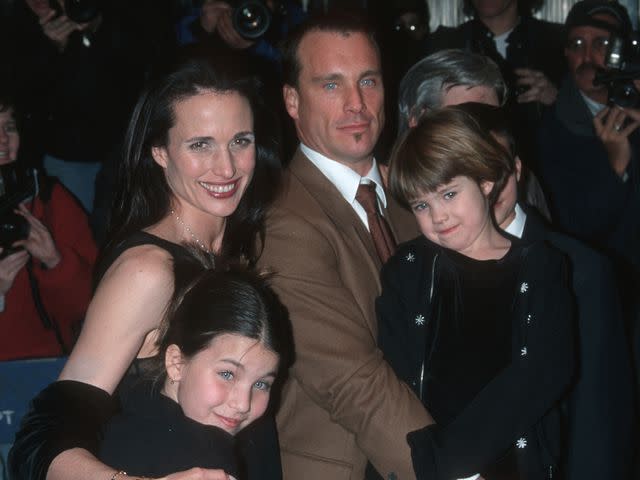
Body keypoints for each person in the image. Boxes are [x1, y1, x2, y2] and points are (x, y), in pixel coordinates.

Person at [9, 50, 282, 480]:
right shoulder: (148, 271)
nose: (226, 166)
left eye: (240, 141)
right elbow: (40, 442)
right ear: (159, 151)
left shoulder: (241, 246)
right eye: (200, 145)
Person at [257, 14, 432, 480]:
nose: (356, 104)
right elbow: (352, 383)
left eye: (368, 81)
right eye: (331, 85)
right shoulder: (282, 220)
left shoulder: (414, 200)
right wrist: (454, 468)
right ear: (292, 101)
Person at [380, 106, 574, 479]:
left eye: (449, 194)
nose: (438, 216)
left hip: (506, 466)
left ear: (486, 182)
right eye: (422, 205)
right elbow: (395, 372)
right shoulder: (408, 269)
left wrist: (453, 460)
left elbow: (546, 370)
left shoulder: (540, 267)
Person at [463, 101, 635, 480]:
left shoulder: (581, 270)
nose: (487, 188)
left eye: (497, 170)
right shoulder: (427, 266)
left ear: (518, 169)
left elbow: (599, 420)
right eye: (470, 173)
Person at [98, 257, 293, 479]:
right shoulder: (207, 459)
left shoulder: (128, 403)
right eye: (227, 374)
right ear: (176, 362)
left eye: (261, 383)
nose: (242, 404)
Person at [7, 0, 146, 213]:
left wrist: (95, 27)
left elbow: (134, 74)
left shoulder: (101, 13)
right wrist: (49, 48)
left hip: (120, 151)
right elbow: (18, 96)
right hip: (59, 157)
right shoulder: (13, 22)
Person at [396, 48, 550, 220]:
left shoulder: (519, 182)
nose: (484, 139)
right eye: (468, 122)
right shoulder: (392, 201)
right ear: (418, 121)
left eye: (493, 121)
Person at [0, 91, 97, 361]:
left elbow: (89, 307)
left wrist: (55, 261)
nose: (3, 140)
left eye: (9, 127)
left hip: (45, 361)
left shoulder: (51, 201)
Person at [426, 0, 566, 172]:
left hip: (545, 170)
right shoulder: (444, 44)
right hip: (468, 166)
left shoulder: (558, 42)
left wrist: (558, 99)